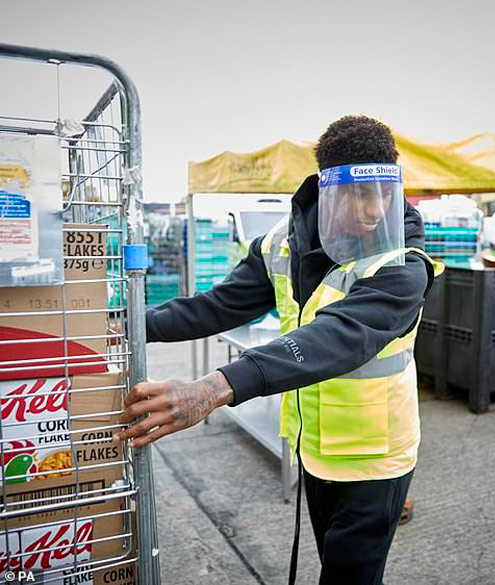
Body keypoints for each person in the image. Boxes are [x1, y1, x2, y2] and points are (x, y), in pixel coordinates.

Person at [112, 115, 442, 585]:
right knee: (334, 563)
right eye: (360, 193)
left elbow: (339, 335)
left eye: (384, 192)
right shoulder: (282, 244)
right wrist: (127, 327)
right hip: (315, 448)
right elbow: (220, 305)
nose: (375, 209)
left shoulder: (403, 263)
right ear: (327, 188)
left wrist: (216, 387)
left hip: (376, 456)